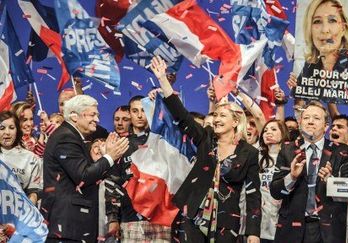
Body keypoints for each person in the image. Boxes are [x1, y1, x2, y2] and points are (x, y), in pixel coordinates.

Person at [151, 56, 261, 243]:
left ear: (235, 121)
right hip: (192, 215)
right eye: (215, 114)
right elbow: (183, 116)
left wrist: (253, 232)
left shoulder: (249, 153)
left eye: (222, 115)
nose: (216, 119)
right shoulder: (205, 138)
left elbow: (253, 194)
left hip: (227, 223)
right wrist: (163, 80)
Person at [42, 94, 129, 242]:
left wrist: (100, 160)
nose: (97, 119)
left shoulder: (73, 137)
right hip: (68, 227)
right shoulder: (66, 137)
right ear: (74, 116)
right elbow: (83, 176)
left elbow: (87, 177)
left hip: (75, 228)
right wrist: (109, 157)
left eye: (97, 115)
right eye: (92, 114)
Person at [270, 101, 348, 243]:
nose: (310, 121)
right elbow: (275, 192)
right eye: (306, 118)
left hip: (328, 231)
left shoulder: (341, 151)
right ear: (300, 123)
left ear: (326, 126)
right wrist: (292, 177)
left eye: (316, 118)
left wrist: (332, 182)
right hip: (292, 229)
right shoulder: (287, 150)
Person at [105, 95, 172, 243]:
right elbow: (112, 183)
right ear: (129, 114)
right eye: (135, 111)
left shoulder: (163, 142)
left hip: (161, 218)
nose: (140, 115)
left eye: (144, 110)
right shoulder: (121, 145)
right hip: (130, 218)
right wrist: (112, 218)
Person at [0, 111, 42, 205]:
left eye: (11, 128)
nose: (7, 132)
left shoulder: (30, 158)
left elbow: (34, 192)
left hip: (19, 216)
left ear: (17, 130)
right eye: (2, 128)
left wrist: (29, 212)